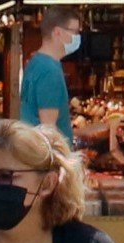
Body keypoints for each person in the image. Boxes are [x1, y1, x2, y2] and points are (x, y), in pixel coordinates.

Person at [16, 9, 82, 146]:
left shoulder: (36, 62)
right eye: (75, 32)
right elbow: (49, 130)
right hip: (46, 159)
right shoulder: (49, 70)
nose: (78, 37)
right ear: (58, 32)